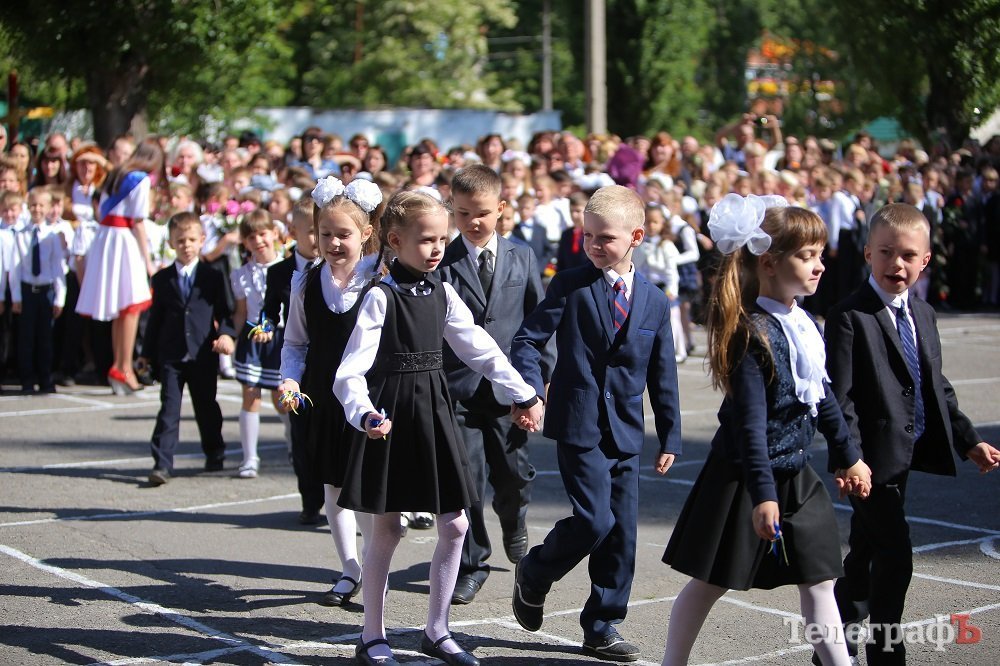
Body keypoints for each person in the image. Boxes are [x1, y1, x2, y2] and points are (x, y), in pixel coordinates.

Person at [660, 195, 872, 666]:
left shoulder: (804, 324)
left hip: (795, 474)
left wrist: (849, 454)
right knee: (710, 582)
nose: (819, 266)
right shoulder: (751, 334)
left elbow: (824, 399)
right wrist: (763, 495)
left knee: (819, 579)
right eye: (807, 256)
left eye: (819, 255)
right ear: (771, 264)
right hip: (745, 478)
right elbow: (751, 428)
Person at [333, 190, 538, 666]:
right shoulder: (380, 298)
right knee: (386, 531)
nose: (437, 248)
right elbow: (349, 372)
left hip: (434, 413)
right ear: (395, 241)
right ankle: (372, 636)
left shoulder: (443, 292)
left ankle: (437, 630)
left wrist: (521, 390)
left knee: (457, 524)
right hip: (389, 417)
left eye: (442, 239)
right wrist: (363, 414)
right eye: (426, 240)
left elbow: (480, 348)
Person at [509, 185, 682, 662]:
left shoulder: (654, 301)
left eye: (605, 238)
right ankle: (536, 571)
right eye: (588, 236)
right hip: (579, 422)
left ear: (636, 237)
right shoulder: (570, 284)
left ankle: (603, 623)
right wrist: (530, 387)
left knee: (621, 532)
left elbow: (661, 373)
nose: (593, 246)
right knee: (593, 519)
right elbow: (529, 340)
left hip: (626, 430)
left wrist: (670, 433)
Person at [824, 203, 1000, 664]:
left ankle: (833, 640)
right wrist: (849, 457)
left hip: (905, 456)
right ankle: (887, 653)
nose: (895, 264)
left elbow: (935, 385)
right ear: (866, 254)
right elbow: (838, 400)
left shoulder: (922, 314)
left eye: (907, 255)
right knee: (896, 557)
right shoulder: (849, 316)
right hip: (868, 463)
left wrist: (969, 440)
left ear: (925, 260)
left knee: (864, 556)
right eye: (885, 252)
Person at [437, 165, 552, 606]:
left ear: (502, 208)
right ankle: (473, 563)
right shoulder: (443, 261)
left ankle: (515, 518)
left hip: (511, 392)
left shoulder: (521, 256)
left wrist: (537, 386)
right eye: (463, 213)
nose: (473, 222)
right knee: (465, 480)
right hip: (459, 390)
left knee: (512, 476)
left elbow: (539, 324)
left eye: (482, 212)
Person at [277, 175, 383, 608]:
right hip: (321, 396)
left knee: (370, 487)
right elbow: (295, 343)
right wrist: (289, 378)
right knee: (333, 485)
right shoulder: (306, 282)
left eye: (344, 234)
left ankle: (376, 566)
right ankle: (349, 568)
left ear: (366, 234)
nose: (334, 243)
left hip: (368, 396)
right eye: (325, 234)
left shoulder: (381, 279)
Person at [138, 212, 236, 486]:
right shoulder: (162, 279)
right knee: (168, 408)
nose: (186, 245)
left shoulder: (212, 276)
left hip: (203, 352)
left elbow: (226, 312)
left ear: (202, 240)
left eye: (192, 239)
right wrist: (146, 355)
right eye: (180, 240)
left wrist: (227, 335)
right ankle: (162, 463)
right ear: (171, 242)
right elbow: (154, 320)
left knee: (206, 406)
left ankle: (214, 451)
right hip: (171, 355)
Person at [76, 140, 163, 394]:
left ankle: (119, 365)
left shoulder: (117, 172)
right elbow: (138, 221)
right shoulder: (141, 179)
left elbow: (101, 209)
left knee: (123, 307)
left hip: (107, 238)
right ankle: (124, 368)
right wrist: (148, 262)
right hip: (124, 240)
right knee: (131, 304)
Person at [263, 197, 325, 524]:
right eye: (312, 232)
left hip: (331, 361)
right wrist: (264, 327)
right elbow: (269, 312)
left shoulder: (336, 267)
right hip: (296, 363)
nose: (319, 239)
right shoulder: (279, 273)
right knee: (300, 433)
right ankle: (310, 501)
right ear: (293, 232)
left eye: (323, 231)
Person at [229, 209, 285, 479]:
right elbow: (240, 312)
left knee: (281, 398)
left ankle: (293, 440)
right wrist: (233, 338)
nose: (258, 240)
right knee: (250, 395)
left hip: (281, 337)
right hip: (253, 338)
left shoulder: (289, 267)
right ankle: (250, 457)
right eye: (251, 237)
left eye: (263, 234)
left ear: (274, 234)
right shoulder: (240, 275)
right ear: (245, 242)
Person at [9, 188, 65, 394]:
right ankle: (26, 379)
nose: (37, 209)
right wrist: (16, 296)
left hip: (46, 291)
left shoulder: (52, 236)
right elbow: (15, 269)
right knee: (26, 338)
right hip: (27, 291)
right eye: (33, 205)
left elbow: (57, 267)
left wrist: (60, 297)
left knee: (45, 337)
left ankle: (46, 378)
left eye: (42, 205)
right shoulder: (21, 235)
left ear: (49, 208)